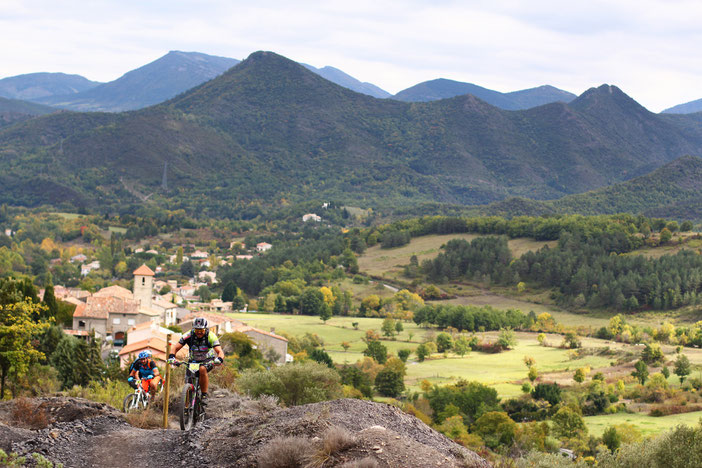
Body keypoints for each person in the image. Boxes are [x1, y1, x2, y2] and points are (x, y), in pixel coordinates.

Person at [168, 317, 224, 405]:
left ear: (205, 329)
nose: (199, 332)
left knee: (202, 369)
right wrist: (171, 357)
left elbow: (219, 351)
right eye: (197, 329)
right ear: (193, 329)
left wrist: (219, 359)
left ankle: (204, 395)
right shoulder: (188, 335)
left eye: (201, 330)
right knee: (188, 382)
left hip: (207, 360)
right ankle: (186, 406)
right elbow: (175, 347)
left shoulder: (211, 336)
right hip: (193, 360)